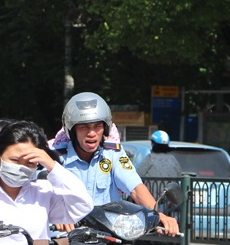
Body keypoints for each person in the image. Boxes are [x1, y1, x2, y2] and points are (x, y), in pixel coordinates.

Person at [56, 92, 179, 236]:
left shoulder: (113, 154)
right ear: (72, 131)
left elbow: (135, 188)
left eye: (97, 126)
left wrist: (159, 215)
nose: (92, 133)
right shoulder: (56, 159)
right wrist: (57, 214)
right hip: (66, 240)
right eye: (84, 127)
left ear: (105, 129)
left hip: (108, 240)